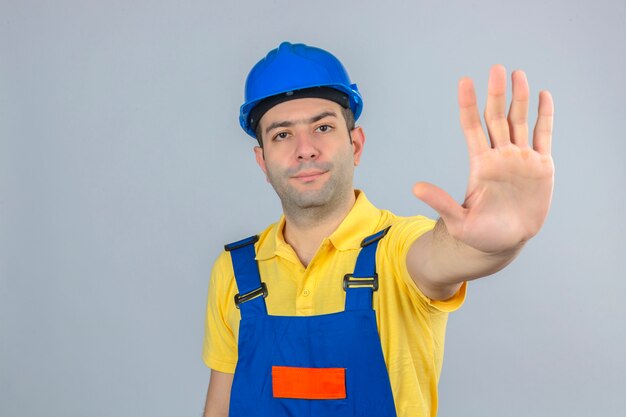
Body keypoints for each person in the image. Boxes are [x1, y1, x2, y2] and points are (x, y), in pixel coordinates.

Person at [201, 41, 554, 417]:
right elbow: (219, 409)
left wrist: (493, 244)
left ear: (355, 145)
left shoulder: (397, 249)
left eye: (322, 127)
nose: (305, 149)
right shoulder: (236, 271)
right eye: (282, 135)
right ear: (263, 161)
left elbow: (446, 255)